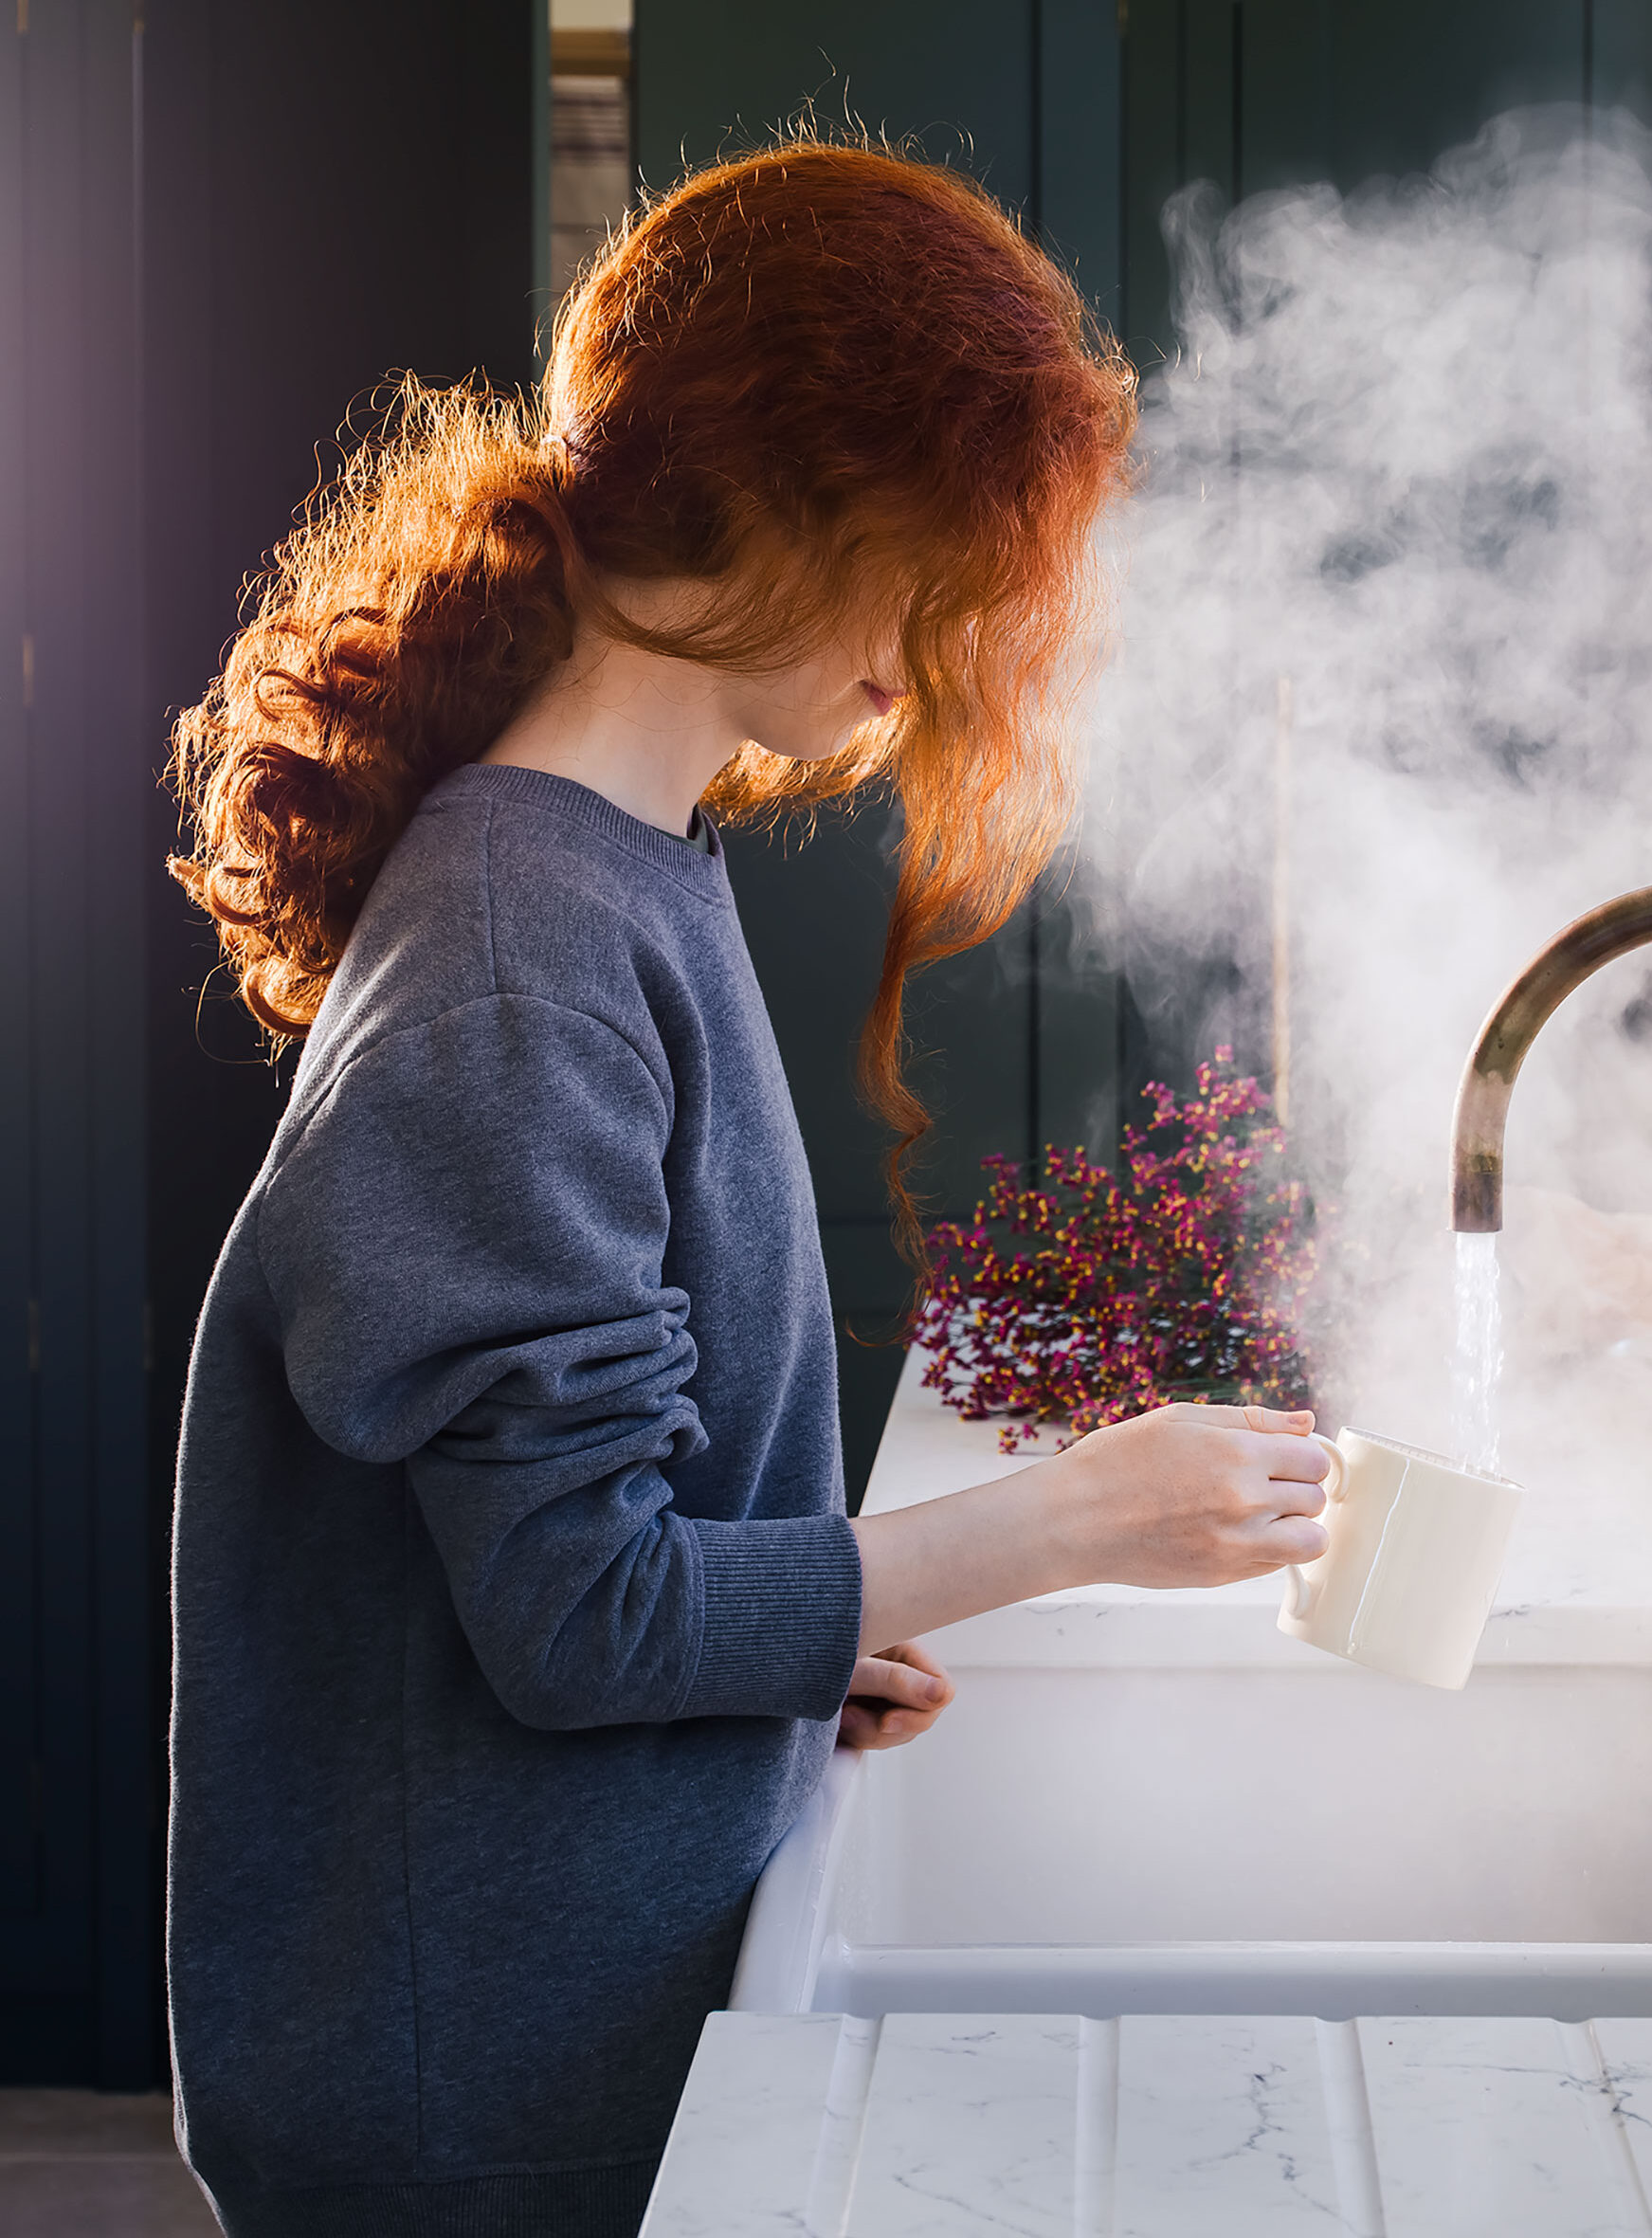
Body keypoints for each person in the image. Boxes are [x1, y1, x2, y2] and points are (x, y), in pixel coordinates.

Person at [163, 139, 1331, 2238]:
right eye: (929, 565)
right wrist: (1081, 1518)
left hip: (559, 2022)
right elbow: (575, 1613)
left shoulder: (627, 865)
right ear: (785, 495)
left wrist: (802, 1636)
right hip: (479, 2101)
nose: (941, 648)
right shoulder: (523, 939)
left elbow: (594, 1550)